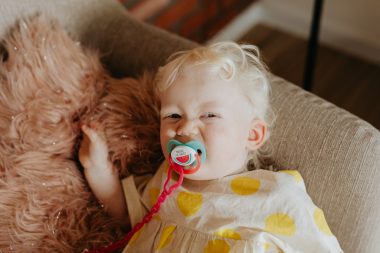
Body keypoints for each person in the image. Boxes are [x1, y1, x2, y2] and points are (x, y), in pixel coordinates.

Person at [79, 42, 342, 253]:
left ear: (251, 134)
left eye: (209, 116)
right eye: (172, 116)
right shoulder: (167, 181)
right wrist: (98, 167)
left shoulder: (277, 195)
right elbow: (129, 217)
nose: (184, 129)